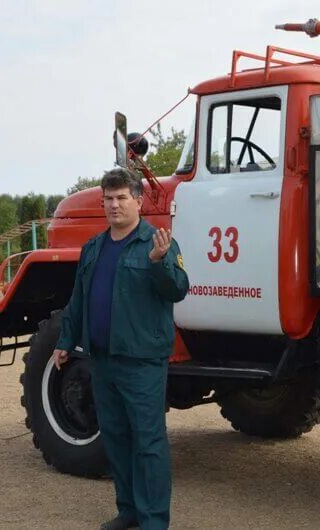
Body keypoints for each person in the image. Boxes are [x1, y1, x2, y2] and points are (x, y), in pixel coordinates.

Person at [52, 167, 189, 530]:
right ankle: (128, 510)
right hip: (103, 359)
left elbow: (178, 289)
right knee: (115, 437)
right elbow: (78, 299)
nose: (113, 205)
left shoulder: (157, 243)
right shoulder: (94, 248)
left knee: (148, 441)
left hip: (142, 362)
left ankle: (154, 519)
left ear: (139, 202)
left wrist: (160, 265)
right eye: (108, 199)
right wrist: (66, 341)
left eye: (121, 198)